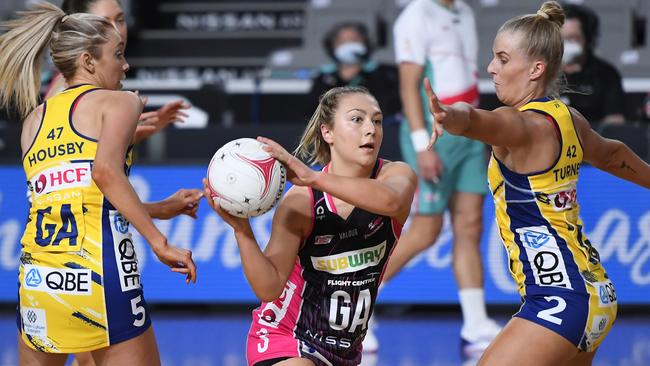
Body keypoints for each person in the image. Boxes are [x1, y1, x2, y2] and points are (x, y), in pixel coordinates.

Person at [423, 1, 650, 364]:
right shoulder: (569, 118)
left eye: (501, 59)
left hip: (560, 299)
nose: (490, 68)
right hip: (596, 292)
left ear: (536, 69)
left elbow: (481, 122)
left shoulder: (520, 124)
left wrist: (451, 115)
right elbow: (612, 154)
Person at [0, 3, 198, 365]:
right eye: (118, 55)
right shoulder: (120, 102)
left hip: (39, 280)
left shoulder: (34, 120)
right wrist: (159, 241)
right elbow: (105, 172)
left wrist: (158, 209)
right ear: (89, 61)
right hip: (98, 276)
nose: (125, 66)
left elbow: (79, 200)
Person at [203, 86, 417, 365]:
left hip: (346, 353)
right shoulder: (301, 202)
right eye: (357, 119)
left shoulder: (395, 175)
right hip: (286, 337)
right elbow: (269, 289)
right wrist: (242, 230)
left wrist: (314, 178)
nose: (371, 129)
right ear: (327, 132)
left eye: (376, 121)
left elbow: (392, 202)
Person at [382, 0, 500, 356]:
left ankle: (475, 324)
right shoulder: (416, 15)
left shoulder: (464, 11)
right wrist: (422, 147)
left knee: (470, 225)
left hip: (469, 127)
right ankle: (359, 301)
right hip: (434, 135)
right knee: (425, 230)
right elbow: (408, 87)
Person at [45, 0, 190, 143]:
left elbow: (87, 149)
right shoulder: (63, 90)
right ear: (80, 29)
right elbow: (63, 158)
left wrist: (129, 133)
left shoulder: (103, 81)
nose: (117, 31)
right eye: (104, 24)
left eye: (120, 20)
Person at [306, 22, 401, 121]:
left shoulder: (384, 74)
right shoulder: (323, 77)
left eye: (354, 40)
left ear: (365, 43)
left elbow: (389, 107)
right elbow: (314, 111)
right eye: (342, 41)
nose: (348, 45)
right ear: (332, 47)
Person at [560, 3, 625, 125]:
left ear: (588, 38)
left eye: (572, 38)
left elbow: (615, 123)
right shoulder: (543, 72)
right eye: (561, 38)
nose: (566, 44)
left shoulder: (606, 74)